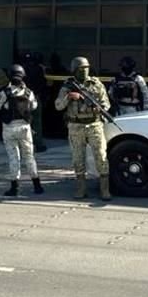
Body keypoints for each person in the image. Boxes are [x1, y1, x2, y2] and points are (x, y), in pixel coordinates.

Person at [55, 56, 112, 201]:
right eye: (81, 69)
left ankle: (104, 189)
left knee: (101, 156)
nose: (84, 71)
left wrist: (99, 109)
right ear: (74, 70)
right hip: (76, 126)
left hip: (94, 124)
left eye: (86, 68)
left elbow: (106, 104)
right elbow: (58, 106)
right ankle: (81, 189)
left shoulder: (96, 84)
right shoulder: (67, 86)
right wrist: (69, 97)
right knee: (78, 158)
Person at [0, 64, 43, 197]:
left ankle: (14, 187)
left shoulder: (5, 92)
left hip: (9, 128)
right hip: (25, 128)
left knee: (13, 157)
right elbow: (33, 107)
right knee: (29, 157)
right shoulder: (29, 92)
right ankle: (37, 185)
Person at [23, 52, 48, 152]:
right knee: (37, 121)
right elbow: (43, 83)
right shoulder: (39, 69)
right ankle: (38, 144)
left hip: (23, 97)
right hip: (35, 97)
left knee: (25, 121)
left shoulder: (23, 69)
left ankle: (26, 144)